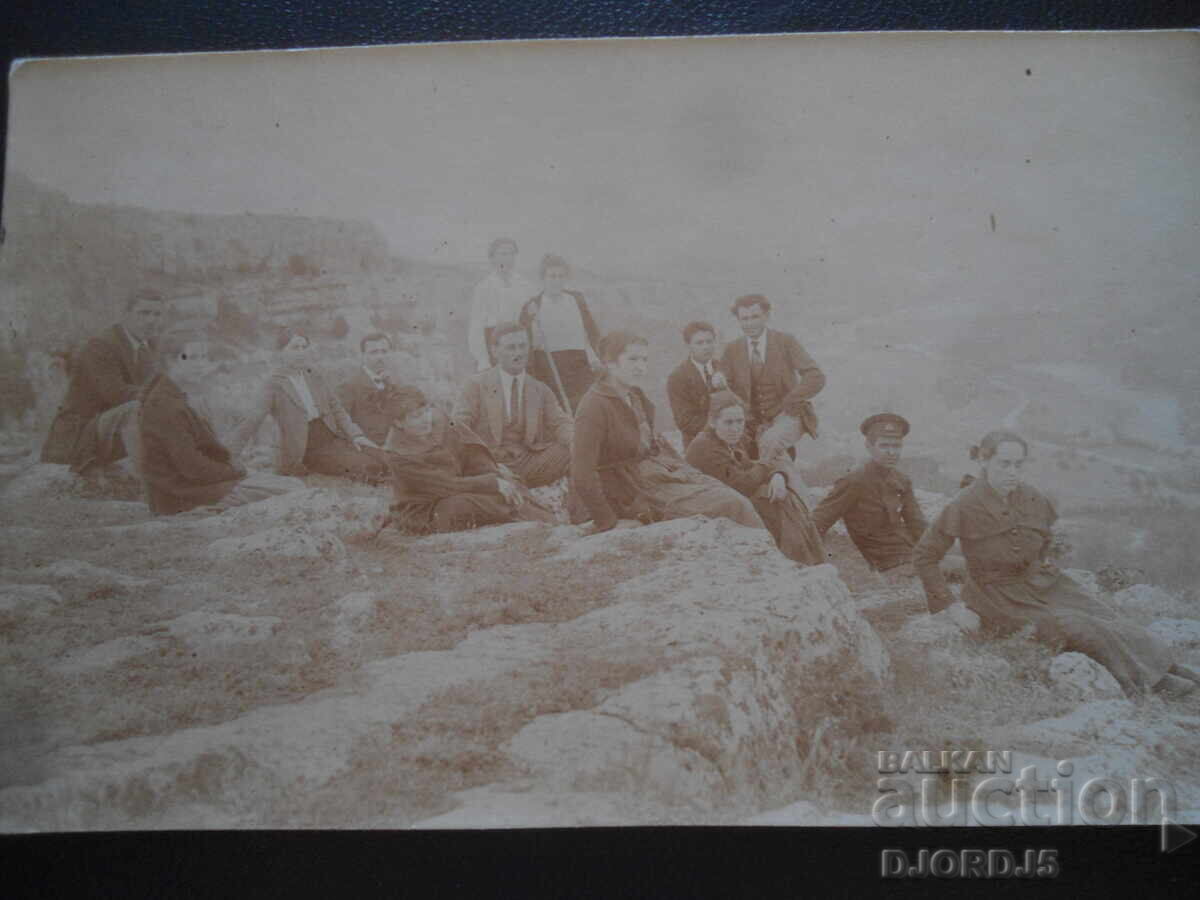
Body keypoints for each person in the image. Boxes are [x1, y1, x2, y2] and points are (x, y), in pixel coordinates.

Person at [913, 430, 1198, 698]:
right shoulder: (963, 505)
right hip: (998, 598)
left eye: (1018, 464)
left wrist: (1039, 565)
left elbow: (1044, 536)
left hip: (1042, 583)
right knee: (1078, 625)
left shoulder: (1031, 496)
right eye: (1004, 464)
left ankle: (1168, 667)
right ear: (984, 461)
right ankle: (1147, 685)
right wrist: (952, 608)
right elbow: (924, 556)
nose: (1012, 472)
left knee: (1103, 612)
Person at [570, 330, 765, 534]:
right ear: (610, 363)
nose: (640, 366)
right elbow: (581, 472)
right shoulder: (593, 406)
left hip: (655, 474)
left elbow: (653, 444)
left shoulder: (634, 395)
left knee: (724, 491)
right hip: (629, 490)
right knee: (731, 504)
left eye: (644, 359)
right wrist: (608, 521)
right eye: (633, 359)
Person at [137, 339, 294, 515]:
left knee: (289, 485)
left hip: (195, 487)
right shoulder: (165, 405)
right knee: (292, 491)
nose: (200, 364)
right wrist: (234, 471)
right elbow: (192, 467)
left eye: (203, 357)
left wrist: (233, 469)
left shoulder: (173, 394)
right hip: (182, 497)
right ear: (169, 362)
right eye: (190, 357)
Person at [383, 387, 556, 534]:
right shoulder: (397, 455)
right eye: (416, 417)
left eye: (425, 411)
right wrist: (492, 483)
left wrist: (493, 474)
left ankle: (551, 521)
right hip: (427, 509)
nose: (425, 419)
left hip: (463, 486)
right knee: (463, 505)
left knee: (506, 480)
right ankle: (529, 519)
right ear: (398, 423)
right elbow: (446, 485)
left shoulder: (439, 421)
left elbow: (471, 452)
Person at [229, 327, 389, 482]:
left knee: (383, 457)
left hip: (332, 437)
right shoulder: (273, 383)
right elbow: (251, 421)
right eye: (294, 347)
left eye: (304, 347)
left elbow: (336, 408)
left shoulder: (314, 375)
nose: (300, 352)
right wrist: (229, 456)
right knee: (369, 467)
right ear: (281, 352)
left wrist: (356, 435)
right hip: (306, 447)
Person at [686, 391, 825, 565]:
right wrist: (768, 466)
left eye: (740, 421)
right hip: (713, 509)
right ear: (713, 422)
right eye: (728, 422)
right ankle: (796, 560)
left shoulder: (725, 439)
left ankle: (805, 559)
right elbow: (742, 484)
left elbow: (749, 466)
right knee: (778, 502)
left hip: (733, 500)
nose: (735, 428)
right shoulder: (705, 446)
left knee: (784, 497)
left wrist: (777, 475)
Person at [41, 288, 165, 472]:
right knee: (136, 408)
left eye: (157, 314)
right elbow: (116, 394)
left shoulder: (149, 346)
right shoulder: (101, 345)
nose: (151, 320)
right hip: (82, 434)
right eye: (144, 313)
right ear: (126, 314)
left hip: (114, 432)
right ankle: (148, 481)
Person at [452, 322, 573, 488]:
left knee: (576, 450)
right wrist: (486, 465)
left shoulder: (540, 389)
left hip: (529, 462)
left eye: (523, 346)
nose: (519, 353)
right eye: (511, 347)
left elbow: (560, 422)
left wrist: (576, 441)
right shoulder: (475, 385)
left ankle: (584, 514)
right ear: (494, 351)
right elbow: (459, 427)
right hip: (490, 465)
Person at [812, 413, 928, 575]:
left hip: (911, 554)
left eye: (896, 446)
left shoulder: (902, 480)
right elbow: (818, 521)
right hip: (888, 564)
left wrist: (935, 551)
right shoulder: (854, 481)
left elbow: (918, 524)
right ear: (869, 446)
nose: (891, 452)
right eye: (884, 446)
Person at [720, 294, 825, 460]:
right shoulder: (732, 350)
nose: (750, 323)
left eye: (755, 317)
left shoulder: (785, 341)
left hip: (787, 415)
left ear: (767, 316)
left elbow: (816, 376)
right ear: (738, 320)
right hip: (750, 421)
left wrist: (791, 399)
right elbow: (725, 387)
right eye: (744, 319)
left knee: (770, 442)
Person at [518, 254, 601, 412]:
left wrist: (596, 357)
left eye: (561, 276)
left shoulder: (576, 300)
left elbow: (591, 332)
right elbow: (526, 343)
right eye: (552, 276)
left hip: (578, 363)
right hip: (549, 365)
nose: (556, 280)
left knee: (585, 408)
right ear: (543, 278)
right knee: (557, 411)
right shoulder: (532, 305)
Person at [467, 237, 536, 372]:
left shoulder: (525, 286)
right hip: (495, 343)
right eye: (503, 254)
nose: (508, 259)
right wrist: (482, 359)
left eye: (511, 254)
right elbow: (476, 326)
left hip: (520, 343)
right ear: (492, 258)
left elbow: (533, 322)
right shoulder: (483, 288)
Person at [338, 332, 411, 447]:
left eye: (384, 352)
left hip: (398, 442)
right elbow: (342, 421)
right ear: (362, 355)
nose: (380, 357)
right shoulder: (349, 385)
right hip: (369, 445)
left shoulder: (395, 380)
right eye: (374, 352)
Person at [667, 321, 729, 453]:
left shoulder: (724, 368)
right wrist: (721, 427)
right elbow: (685, 421)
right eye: (699, 343)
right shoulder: (678, 377)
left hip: (731, 439)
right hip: (698, 445)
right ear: (688, 346)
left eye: (709, 341)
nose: (706, 347)